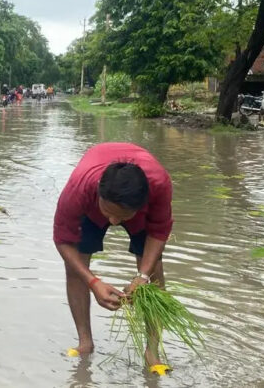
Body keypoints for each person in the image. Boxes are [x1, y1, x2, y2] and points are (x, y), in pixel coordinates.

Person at [53, 143, 173, 375]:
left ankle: (152, 351)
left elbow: (159, 233)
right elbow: (62, 240)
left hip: (136, 205)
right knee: (75, 267)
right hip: (91, 209)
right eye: (109, 213)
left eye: (123, 216)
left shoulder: (159, 185)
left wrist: (143, 276)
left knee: (155, 270)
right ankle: (85, 343)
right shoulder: (80, 188)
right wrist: (93, 282)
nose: (115, 222)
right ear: (99, 192)